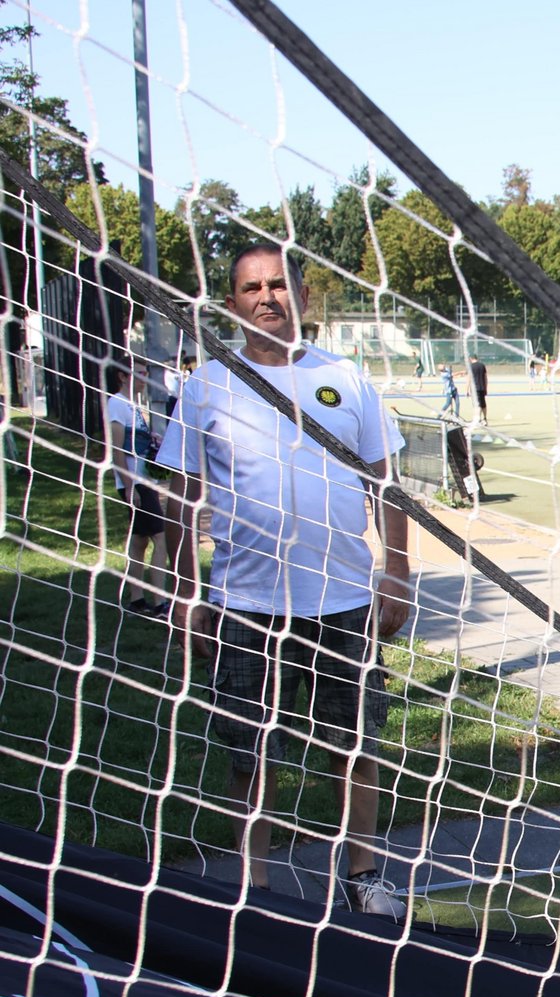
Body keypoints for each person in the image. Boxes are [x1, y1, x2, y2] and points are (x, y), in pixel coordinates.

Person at [155, 242, 411, 919]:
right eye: (250, 287)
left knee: (354, 747)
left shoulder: (348, 379)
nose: (265, 296)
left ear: (302, 295)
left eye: (277, 284)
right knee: (250, 753)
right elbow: (181, 496)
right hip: (247, 604)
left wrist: (399, 570)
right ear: (232, 302)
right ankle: (254, 886)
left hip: (345, 600)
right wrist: (186, 592)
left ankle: (365, 877)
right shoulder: (208, 383)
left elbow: (386, 482)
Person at [104, 362, 168, 616]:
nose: (144, 379)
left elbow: (135, 443)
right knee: (161, 538)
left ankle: (136, 600)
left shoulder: (133, 405)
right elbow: (117, 449)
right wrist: (130, 487)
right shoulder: (117, 404)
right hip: (135, 483)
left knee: (139, 541)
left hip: (144, 480)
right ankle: (161, 602)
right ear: (122, 375)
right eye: (139, 374)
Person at [466, 355, 488, 425]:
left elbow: (469, 378)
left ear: (470, 359)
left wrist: (467, 390)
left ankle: (478, 419)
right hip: (482, 387)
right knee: (483, 404)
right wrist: (486, 388)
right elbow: (485, 378)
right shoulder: (482, 365)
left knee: (476, 405)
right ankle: (484, 419)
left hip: (475, 388)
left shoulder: (471, 367)